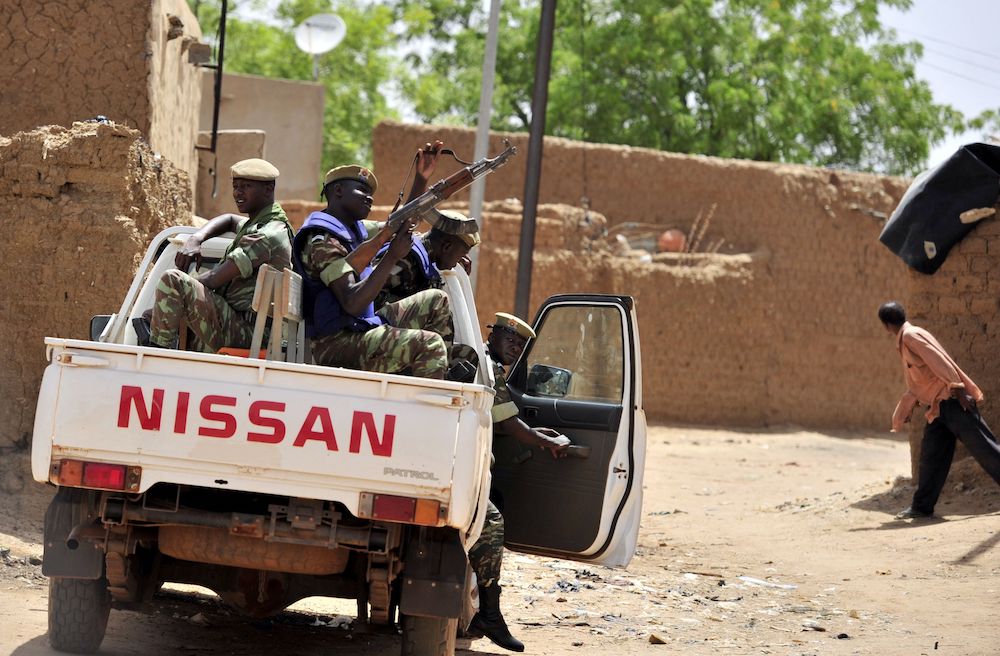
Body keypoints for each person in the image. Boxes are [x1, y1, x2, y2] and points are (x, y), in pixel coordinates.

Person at [292, 148, 453, 378]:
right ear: (337, 191)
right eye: (362, 190)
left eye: (371, 193)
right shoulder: (322, 242)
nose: (370, 197)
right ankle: (429, 406)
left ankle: (434, 374)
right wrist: (392, 257)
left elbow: (400, 222)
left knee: (437, 300)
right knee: (430, 344)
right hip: (337, 343)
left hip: (358, 327)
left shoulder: (352, 229)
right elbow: (352, 304)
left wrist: (421, 179)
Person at [466, 312, 571, 652]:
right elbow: (511, 426)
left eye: (521, 344)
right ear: (492, 335)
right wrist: (546, 442)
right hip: (465, 466)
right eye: (510, 339)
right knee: (492, 524)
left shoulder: (485, 363)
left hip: (468, 463)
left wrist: (540, 435)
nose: (514, 347)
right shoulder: (486, 363)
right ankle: (490, 616)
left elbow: (506, 418)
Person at [147, 158, 293, 352]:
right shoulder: (264, 225)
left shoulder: (265, 235)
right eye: (236, 186)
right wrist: (196, 239)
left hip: (250, 332)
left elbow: (214, 279)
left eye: (246, 186)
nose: (238, 192)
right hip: (247, 326)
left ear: (268, 189)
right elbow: (230, 219)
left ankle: (155, 355)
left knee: (173, 280)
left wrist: (168, 304)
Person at [878, 301, 1000, 519]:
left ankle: (921, 506)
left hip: (953, 402)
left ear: (886, 325)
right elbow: (921, 380)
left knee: (986, 449)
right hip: (939, 407)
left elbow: (940, 362)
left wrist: (959, 391)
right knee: (931, 456)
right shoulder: (909, 336)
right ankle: (922, 507)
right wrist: (908, 407)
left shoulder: (910, 336)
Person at [373, 208, 480, 309]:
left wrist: (454, 256)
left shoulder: (426, 252)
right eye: (462, 254)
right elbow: (371, 298)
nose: (461, 260)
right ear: (446, 247)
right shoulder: (406, 258)